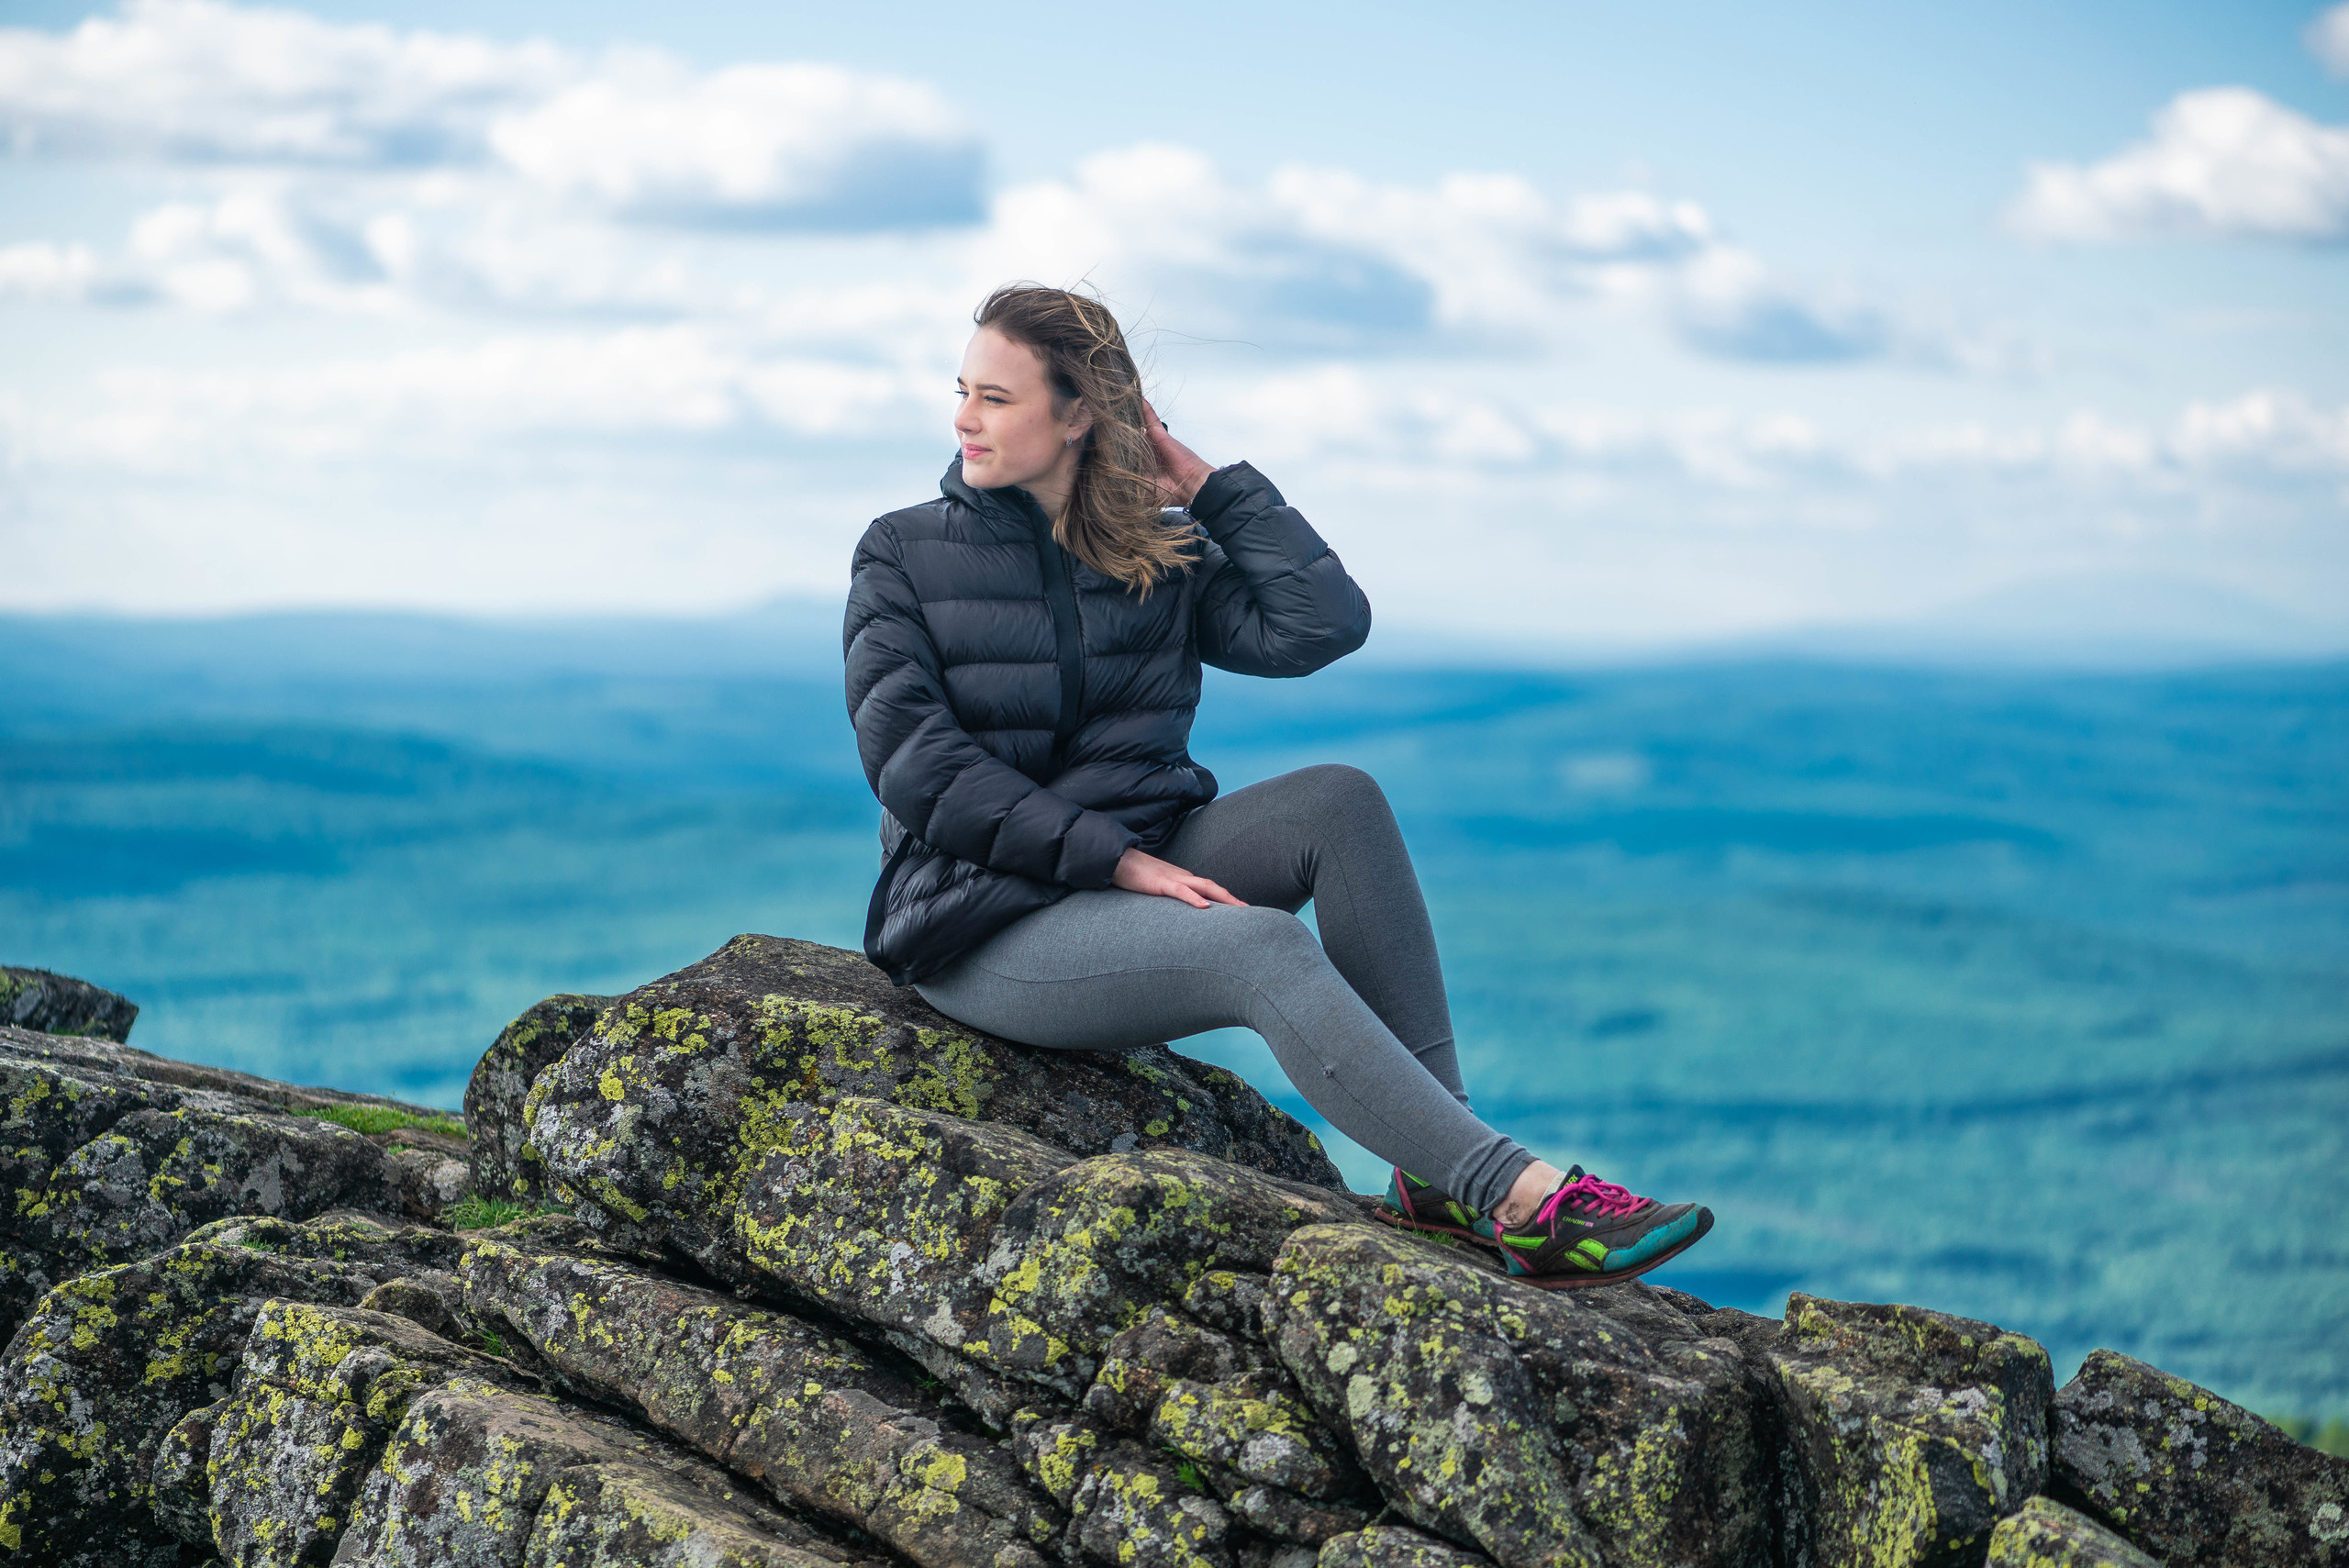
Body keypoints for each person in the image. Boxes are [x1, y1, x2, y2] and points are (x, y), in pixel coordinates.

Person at [843, 284, 1710, 1287]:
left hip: (1135, 864)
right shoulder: (904, 550)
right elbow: (915, 766)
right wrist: (1114, 859)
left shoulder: (1152, 550)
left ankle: (1435, 1168)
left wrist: (1208, 485)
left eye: (994, 397)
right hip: (980, 919)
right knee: (1258, 943)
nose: (962, 419)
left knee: (1338, 800)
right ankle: (1512, 1190)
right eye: (964, 390)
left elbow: (1319, 625)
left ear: (1079, 413)